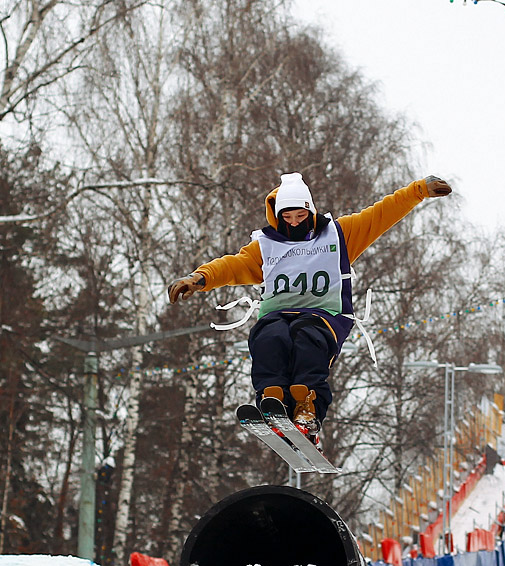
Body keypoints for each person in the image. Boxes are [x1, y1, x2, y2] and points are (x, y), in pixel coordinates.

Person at [168, 172, 451, 444]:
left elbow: (380, 214)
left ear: (311, 212)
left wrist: (419, 190)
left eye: (300, 216)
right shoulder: (265, 247)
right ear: (278, 218)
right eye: (287, 218)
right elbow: (231, 265)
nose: (293, 223)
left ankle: (307, 407)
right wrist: (199, 278)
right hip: (277, 313)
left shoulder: (339, 235)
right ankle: (273, 398)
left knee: (307, 338)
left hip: (325, 315)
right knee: (269, 338)